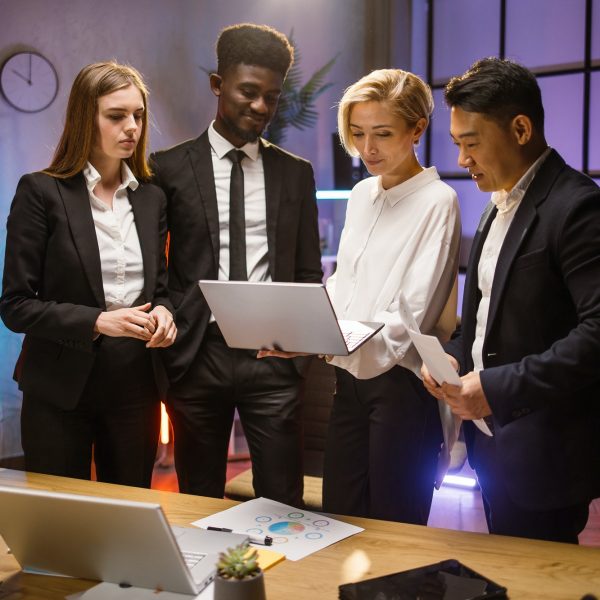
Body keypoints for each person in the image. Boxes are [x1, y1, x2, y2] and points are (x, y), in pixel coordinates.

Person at [262, 69, 461, 523]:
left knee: (395, 525)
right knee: (340, 517)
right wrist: (306, 332)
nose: (367, 149)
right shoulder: (360, 194)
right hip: (347, 382)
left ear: (417, 129)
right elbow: (343, 286)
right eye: (357, 134)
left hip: (401, 386)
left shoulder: (438, 201)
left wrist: (331, 339)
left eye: (382, 134)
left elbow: (411, 314)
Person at [422, 57, 600, 543]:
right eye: (457, 145)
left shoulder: (577, 206)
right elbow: (480, 322)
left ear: (520, 128)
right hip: (492, 445)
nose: (461, 160)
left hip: (546, 451)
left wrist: (498, 389)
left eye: (471, 143)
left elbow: (596, 335)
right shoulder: (494, 206)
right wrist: (449, 360)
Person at [150, 24, 322, 504]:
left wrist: (300, 356)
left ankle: (284, 582)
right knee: (198, 501)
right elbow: (154, 271)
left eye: (272, 96)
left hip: (275, 363)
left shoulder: (296, 174)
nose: (262, 107)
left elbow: (309, 272)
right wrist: (170, 347)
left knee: (284, 505)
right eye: (249, 92)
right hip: (196, 358)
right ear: (217, 84)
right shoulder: (167, 168)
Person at [0, 61, 176, 488]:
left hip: (136, 384)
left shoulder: (152, 198)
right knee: (60, 523)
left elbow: (162, 287)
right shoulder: (41, 192)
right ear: (85, 118)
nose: (131, 126)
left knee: (130, 512)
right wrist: (96, 320)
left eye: (138, 115)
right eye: (116, 116)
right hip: (59, 384)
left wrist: (167, 312)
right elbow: (15, 305)